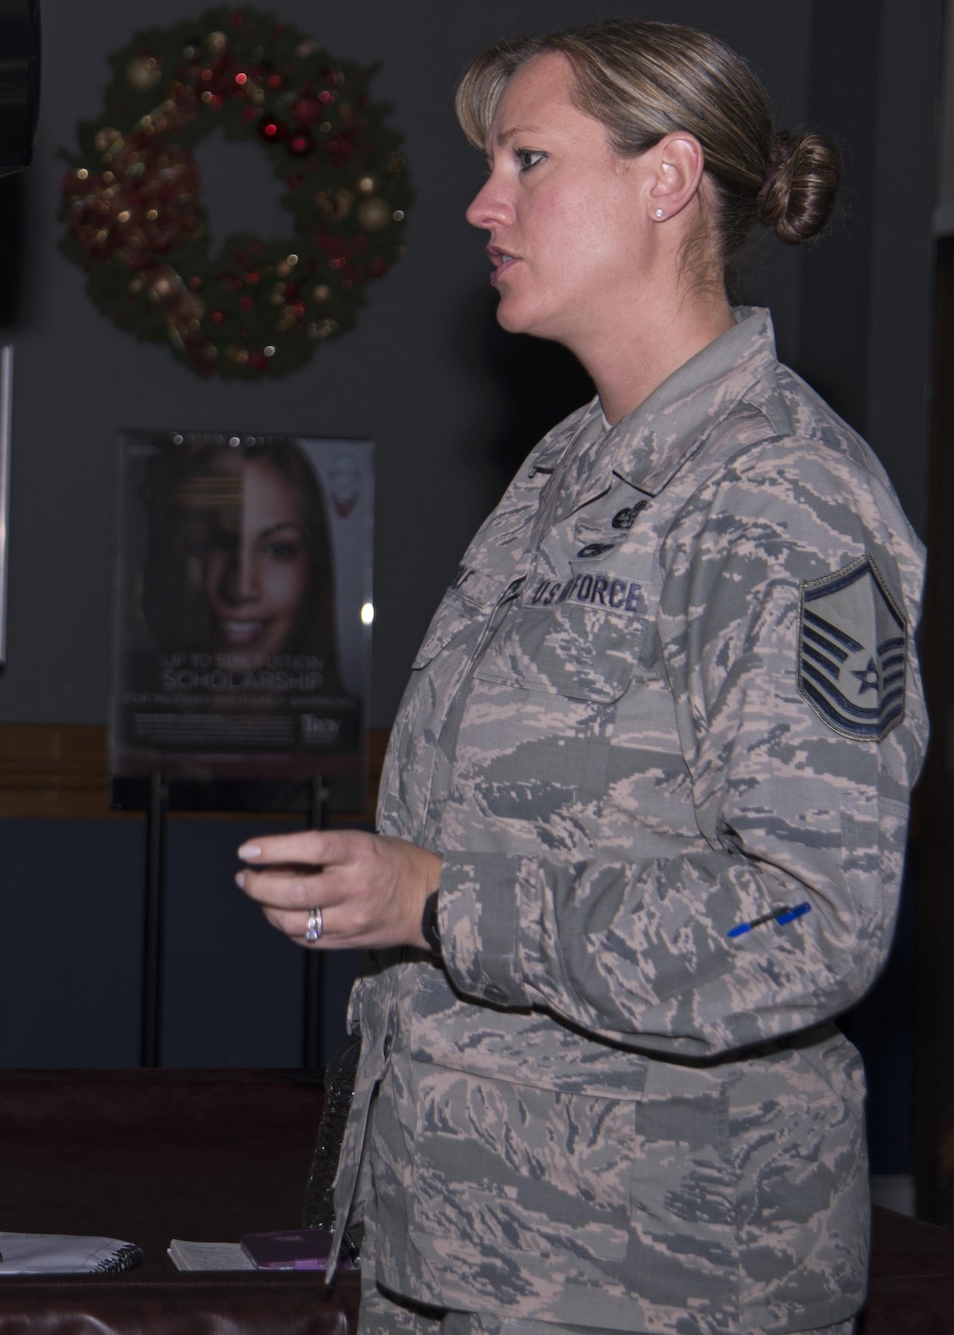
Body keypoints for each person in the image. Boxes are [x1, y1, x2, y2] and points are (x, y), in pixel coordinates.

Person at [236, 19, 922, 1335]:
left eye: (529, 159)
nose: (486, 204)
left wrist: (446, 901)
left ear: (667, 181)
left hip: (658, 1275)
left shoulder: (787, 497)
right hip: (472, 1253)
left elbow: (809, 916)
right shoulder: (567, 469)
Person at [141, 438, 341, 676]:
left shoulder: (373, 713)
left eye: (278, 549)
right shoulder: (133, 701)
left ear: (316, 568)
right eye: (210, 545)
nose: (240, 589)